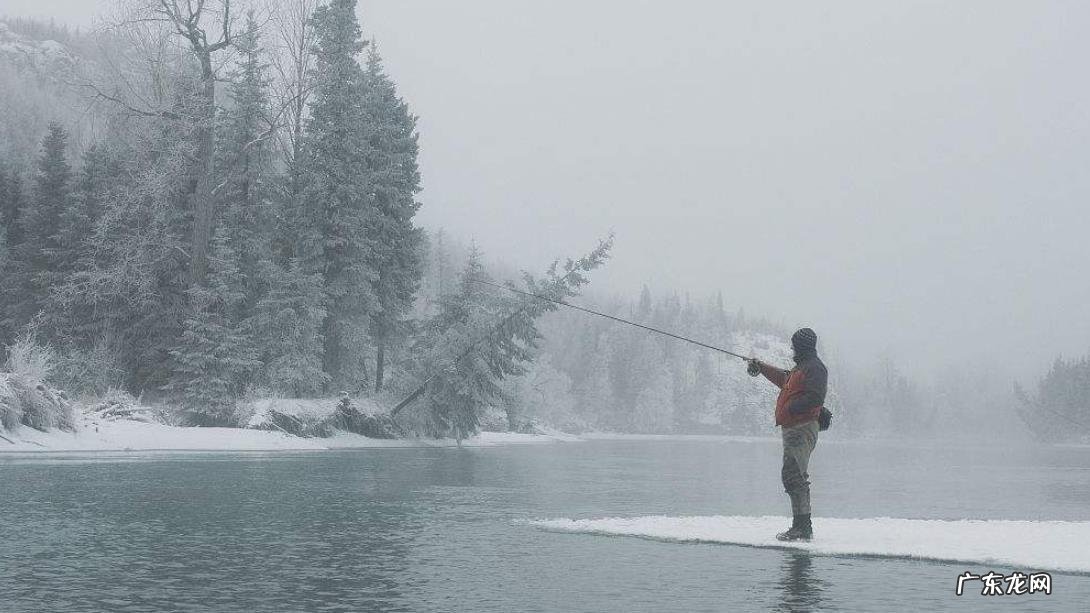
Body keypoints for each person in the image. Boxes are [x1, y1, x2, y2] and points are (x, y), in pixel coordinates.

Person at [747, 327, 827, 541]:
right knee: (793, 474)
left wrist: (791, 409)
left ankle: (802, 527)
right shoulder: (801, 368)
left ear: (801, 346)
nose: (792, 348)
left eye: (794, 344)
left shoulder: (815, 369)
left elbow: (815, 397)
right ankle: (801, 525)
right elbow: (785, 380)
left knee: (794, 475)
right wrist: (761, 367)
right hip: (794, 429)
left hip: (802, 428)